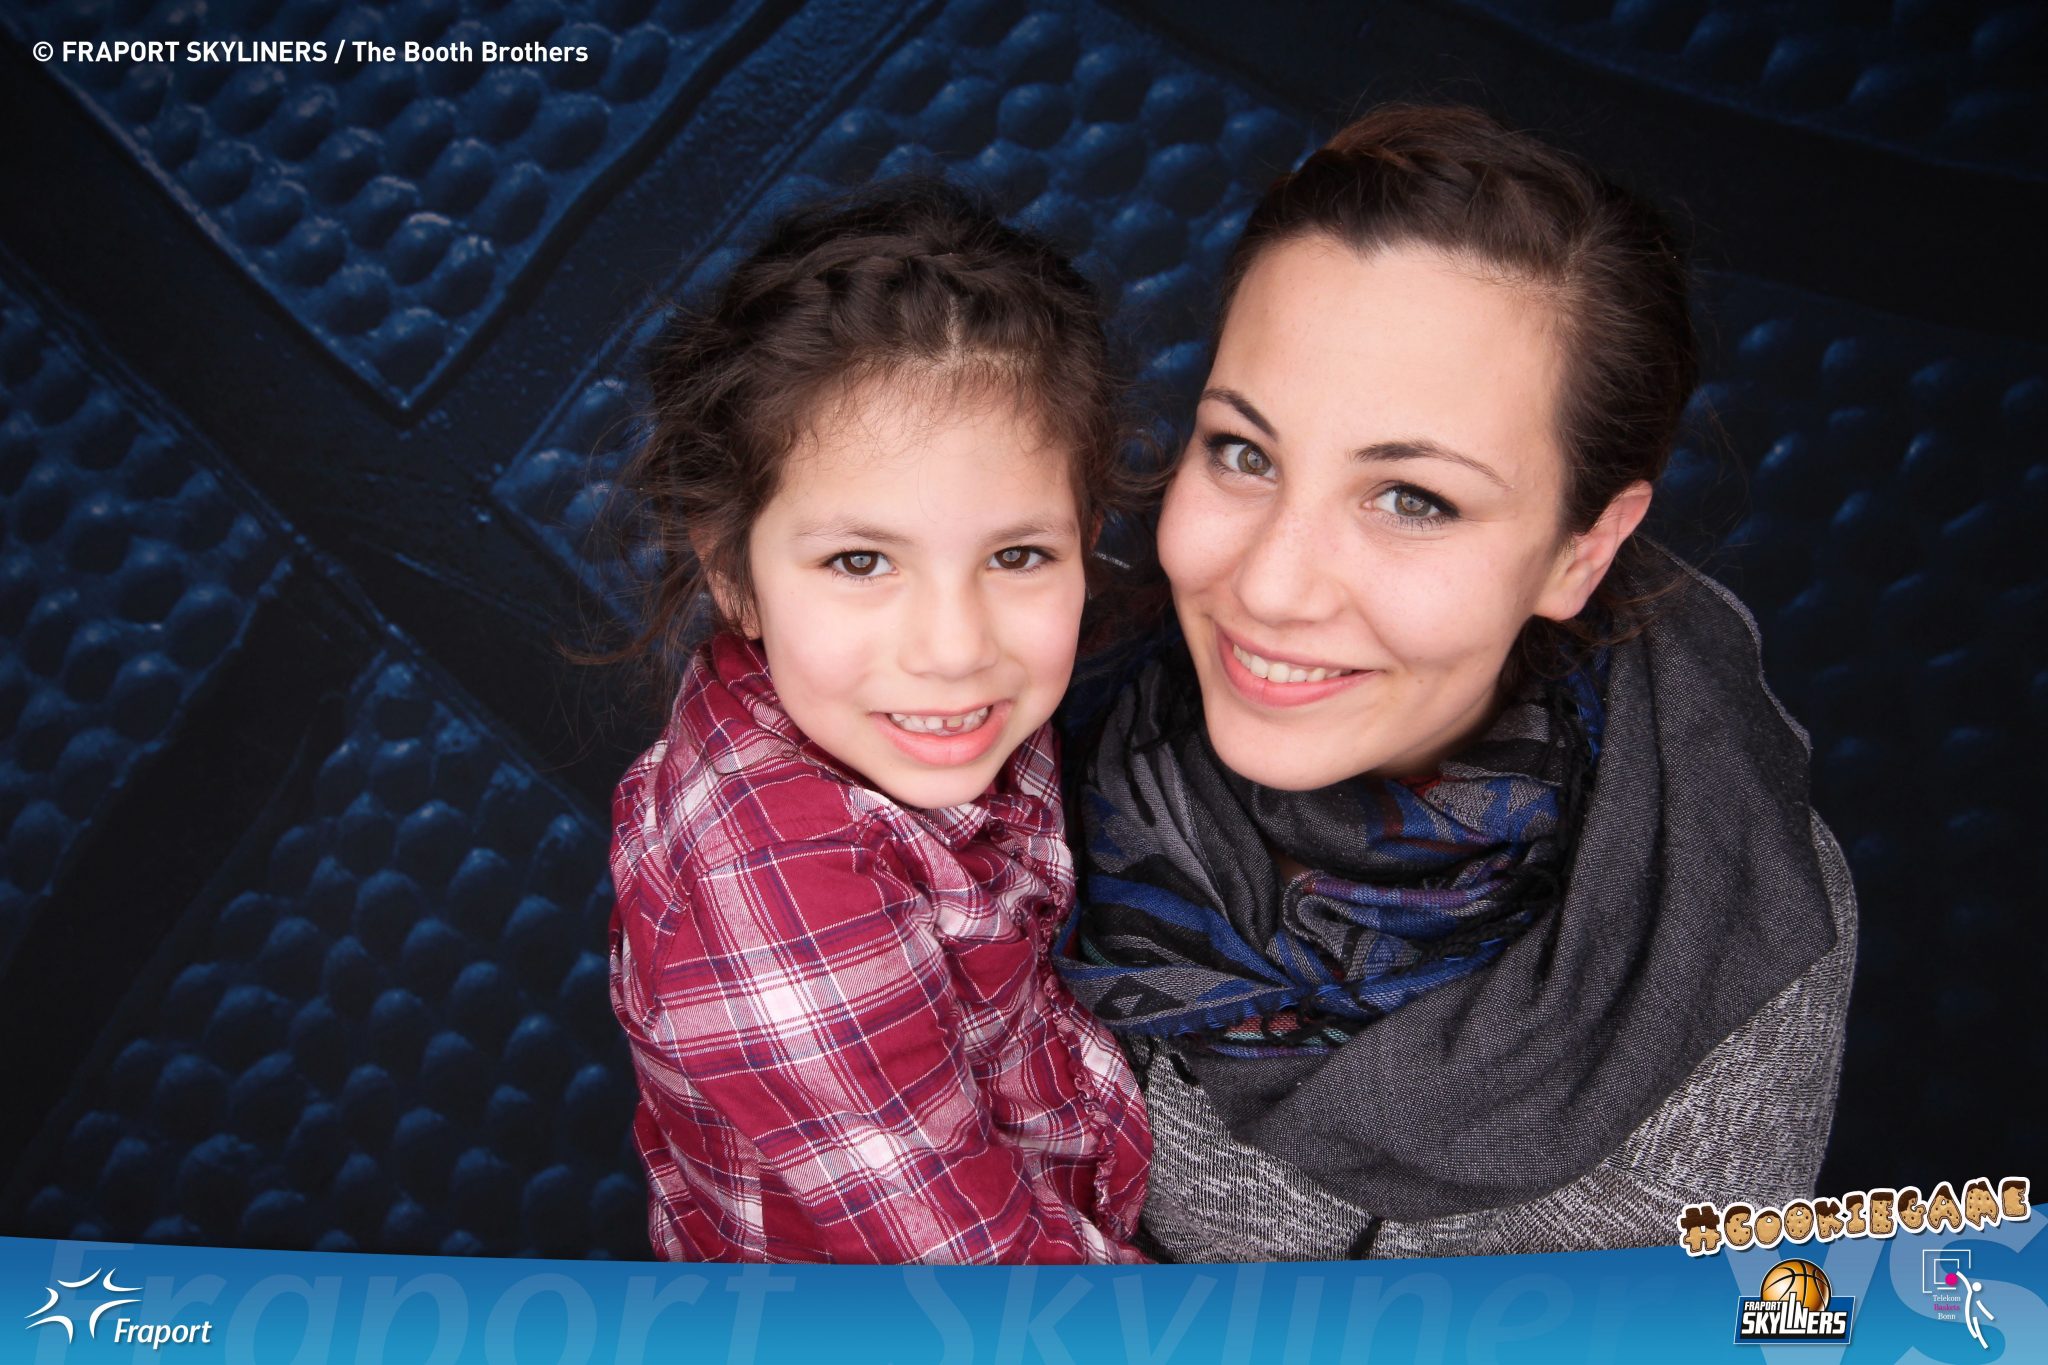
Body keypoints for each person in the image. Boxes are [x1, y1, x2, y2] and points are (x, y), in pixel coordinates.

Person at [1057, 104, 1857, 1259]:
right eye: (1242, 452)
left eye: (1412, 499)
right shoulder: (1015, 758)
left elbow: (1706, 1323)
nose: (1270, 586)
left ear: (1581, 549)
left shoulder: (1729, 890)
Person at [601, 182, 1152, 1263]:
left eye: (1018, 555)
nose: (952, 647)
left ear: (1085, 540)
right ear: (732, 572)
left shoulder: (910, 715)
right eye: (860, 561)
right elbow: (1000, 1296)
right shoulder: (774, 877)